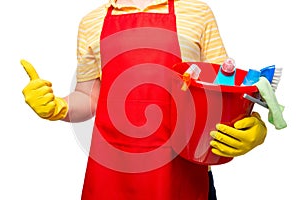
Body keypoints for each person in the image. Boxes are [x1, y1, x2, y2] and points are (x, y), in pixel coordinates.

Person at [21, 0, 267, 199]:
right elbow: (88, 96)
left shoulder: (197, 13)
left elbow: (221, 90)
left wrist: (250, 122)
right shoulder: (91, 22)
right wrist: (59, 107)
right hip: (111, 176)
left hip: (183, 177)